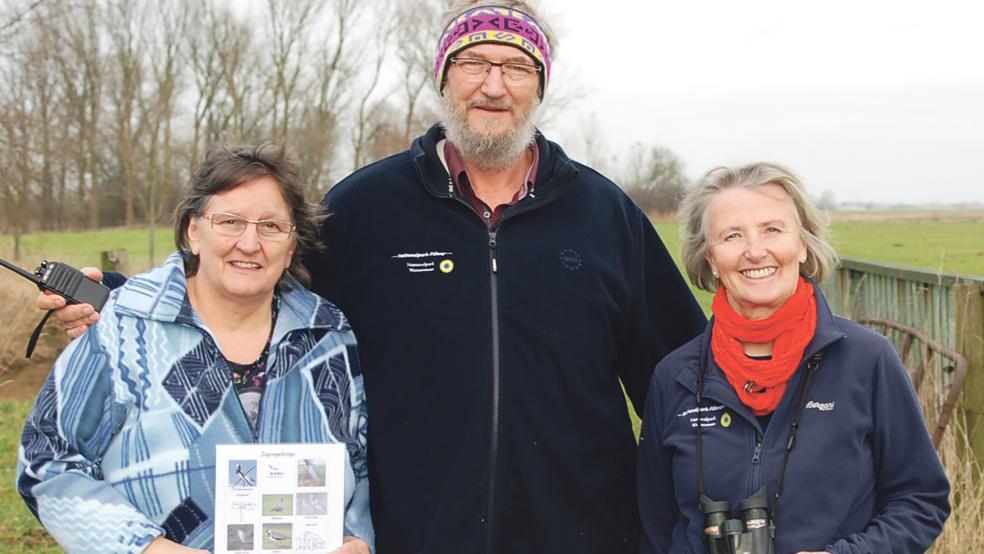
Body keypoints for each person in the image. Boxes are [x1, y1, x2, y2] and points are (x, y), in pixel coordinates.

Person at [38, 2, 707, 552]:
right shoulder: (364, 207)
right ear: (444, 79)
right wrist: (121, 301)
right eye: (473, 63)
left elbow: (682, 377)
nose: (494, 84)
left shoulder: (604, 215)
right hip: (407, 534)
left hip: (580, 535)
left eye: (515, 66)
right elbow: (250, 278)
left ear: (541, 86)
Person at [19, 143, 373, 554]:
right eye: (229, 221)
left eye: (272, 227)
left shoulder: (328, 333)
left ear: (292, 245)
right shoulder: (125, 325)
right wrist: (146, 548)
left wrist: (359, 538)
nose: (249, 242)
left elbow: (360, 461)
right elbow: (48, 462)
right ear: (193, 230)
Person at [636, 162, 950, 553]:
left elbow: (921, 500)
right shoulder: (675, 376)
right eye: (732, 236)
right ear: (711, 259)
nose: (755, 251)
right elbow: (654, 527)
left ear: (802, 244)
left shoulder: (867, 361)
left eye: (772, 230)